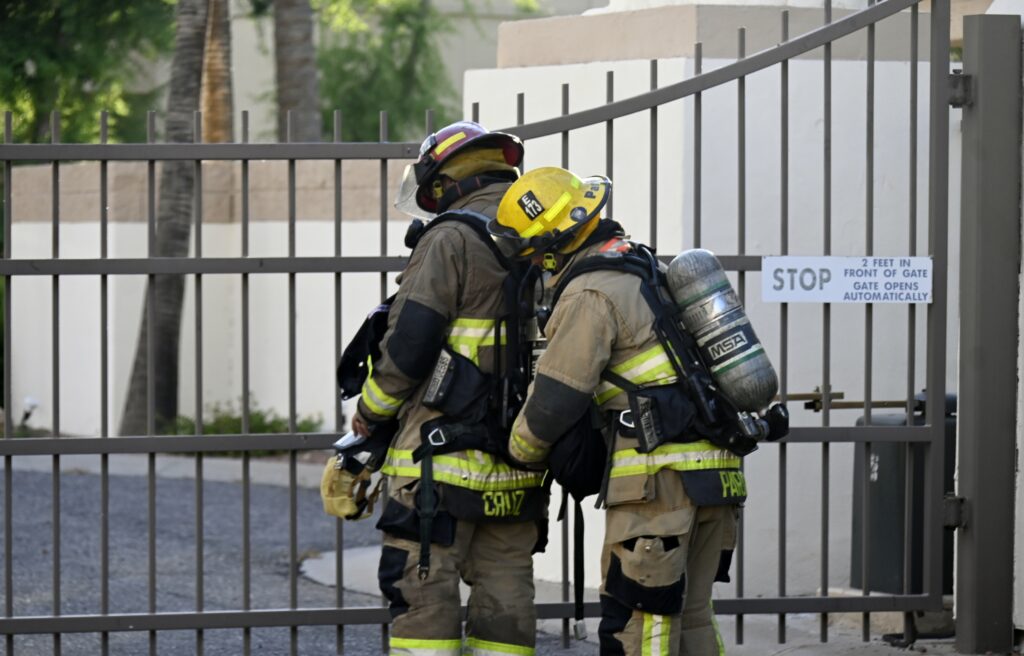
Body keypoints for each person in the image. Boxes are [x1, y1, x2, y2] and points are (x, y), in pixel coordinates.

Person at [489, 166, 747, 655]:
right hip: (717, 476)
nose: (535, 267)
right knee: (692, 616)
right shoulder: (647, 267)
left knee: (639, 621)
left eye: (534, 255)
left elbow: (557, 397)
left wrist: (519, 452)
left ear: (550, 247)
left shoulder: (591, 292)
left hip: (658, 488)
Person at [350, 121, 547, 656]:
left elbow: (409, 344)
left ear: (446, 182)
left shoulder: (450, 238)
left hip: (438, 467)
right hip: (520, 463)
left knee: (425, 597)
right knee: (506, 600)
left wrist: (370, 411)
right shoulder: (545, 236)